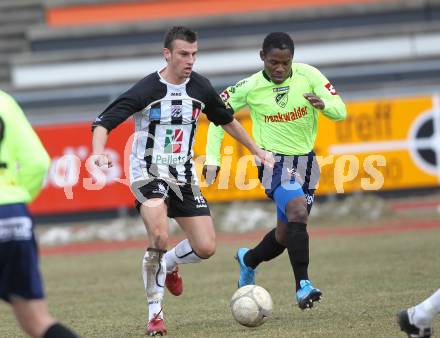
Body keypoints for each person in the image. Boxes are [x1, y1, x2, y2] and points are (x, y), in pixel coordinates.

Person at [91, 26, 273, 336]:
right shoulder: (147, 89)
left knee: (206, 247)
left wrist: (256, 150)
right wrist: (98, 153)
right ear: (167, 54)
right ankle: (155, 315)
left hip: (183, 176)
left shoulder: (200, 87)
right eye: (184, 54)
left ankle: (170, 264)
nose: (190, 60)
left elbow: (227, 120)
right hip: (147, 173)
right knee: (159, 237)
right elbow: (103, 122)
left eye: (194, 54)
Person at [204, 32, 347, 310]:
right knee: (297, 211)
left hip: (306, 163)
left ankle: (248, 260)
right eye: (273, 62)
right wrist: (213, 157)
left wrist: (324, 105)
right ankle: (303, 286)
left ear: (292, 59)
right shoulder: (249, 86)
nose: (279, 68)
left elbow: (340, 110)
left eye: (285, 62)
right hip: (271, 162)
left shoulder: (310, 76)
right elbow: (215, 118)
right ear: (262, 58)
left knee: (285, 235)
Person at [0, 90, 79, 338]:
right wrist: (17, 200)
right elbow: (38, 162)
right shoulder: (5, 101)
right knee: (37, 321)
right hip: (12, 214)